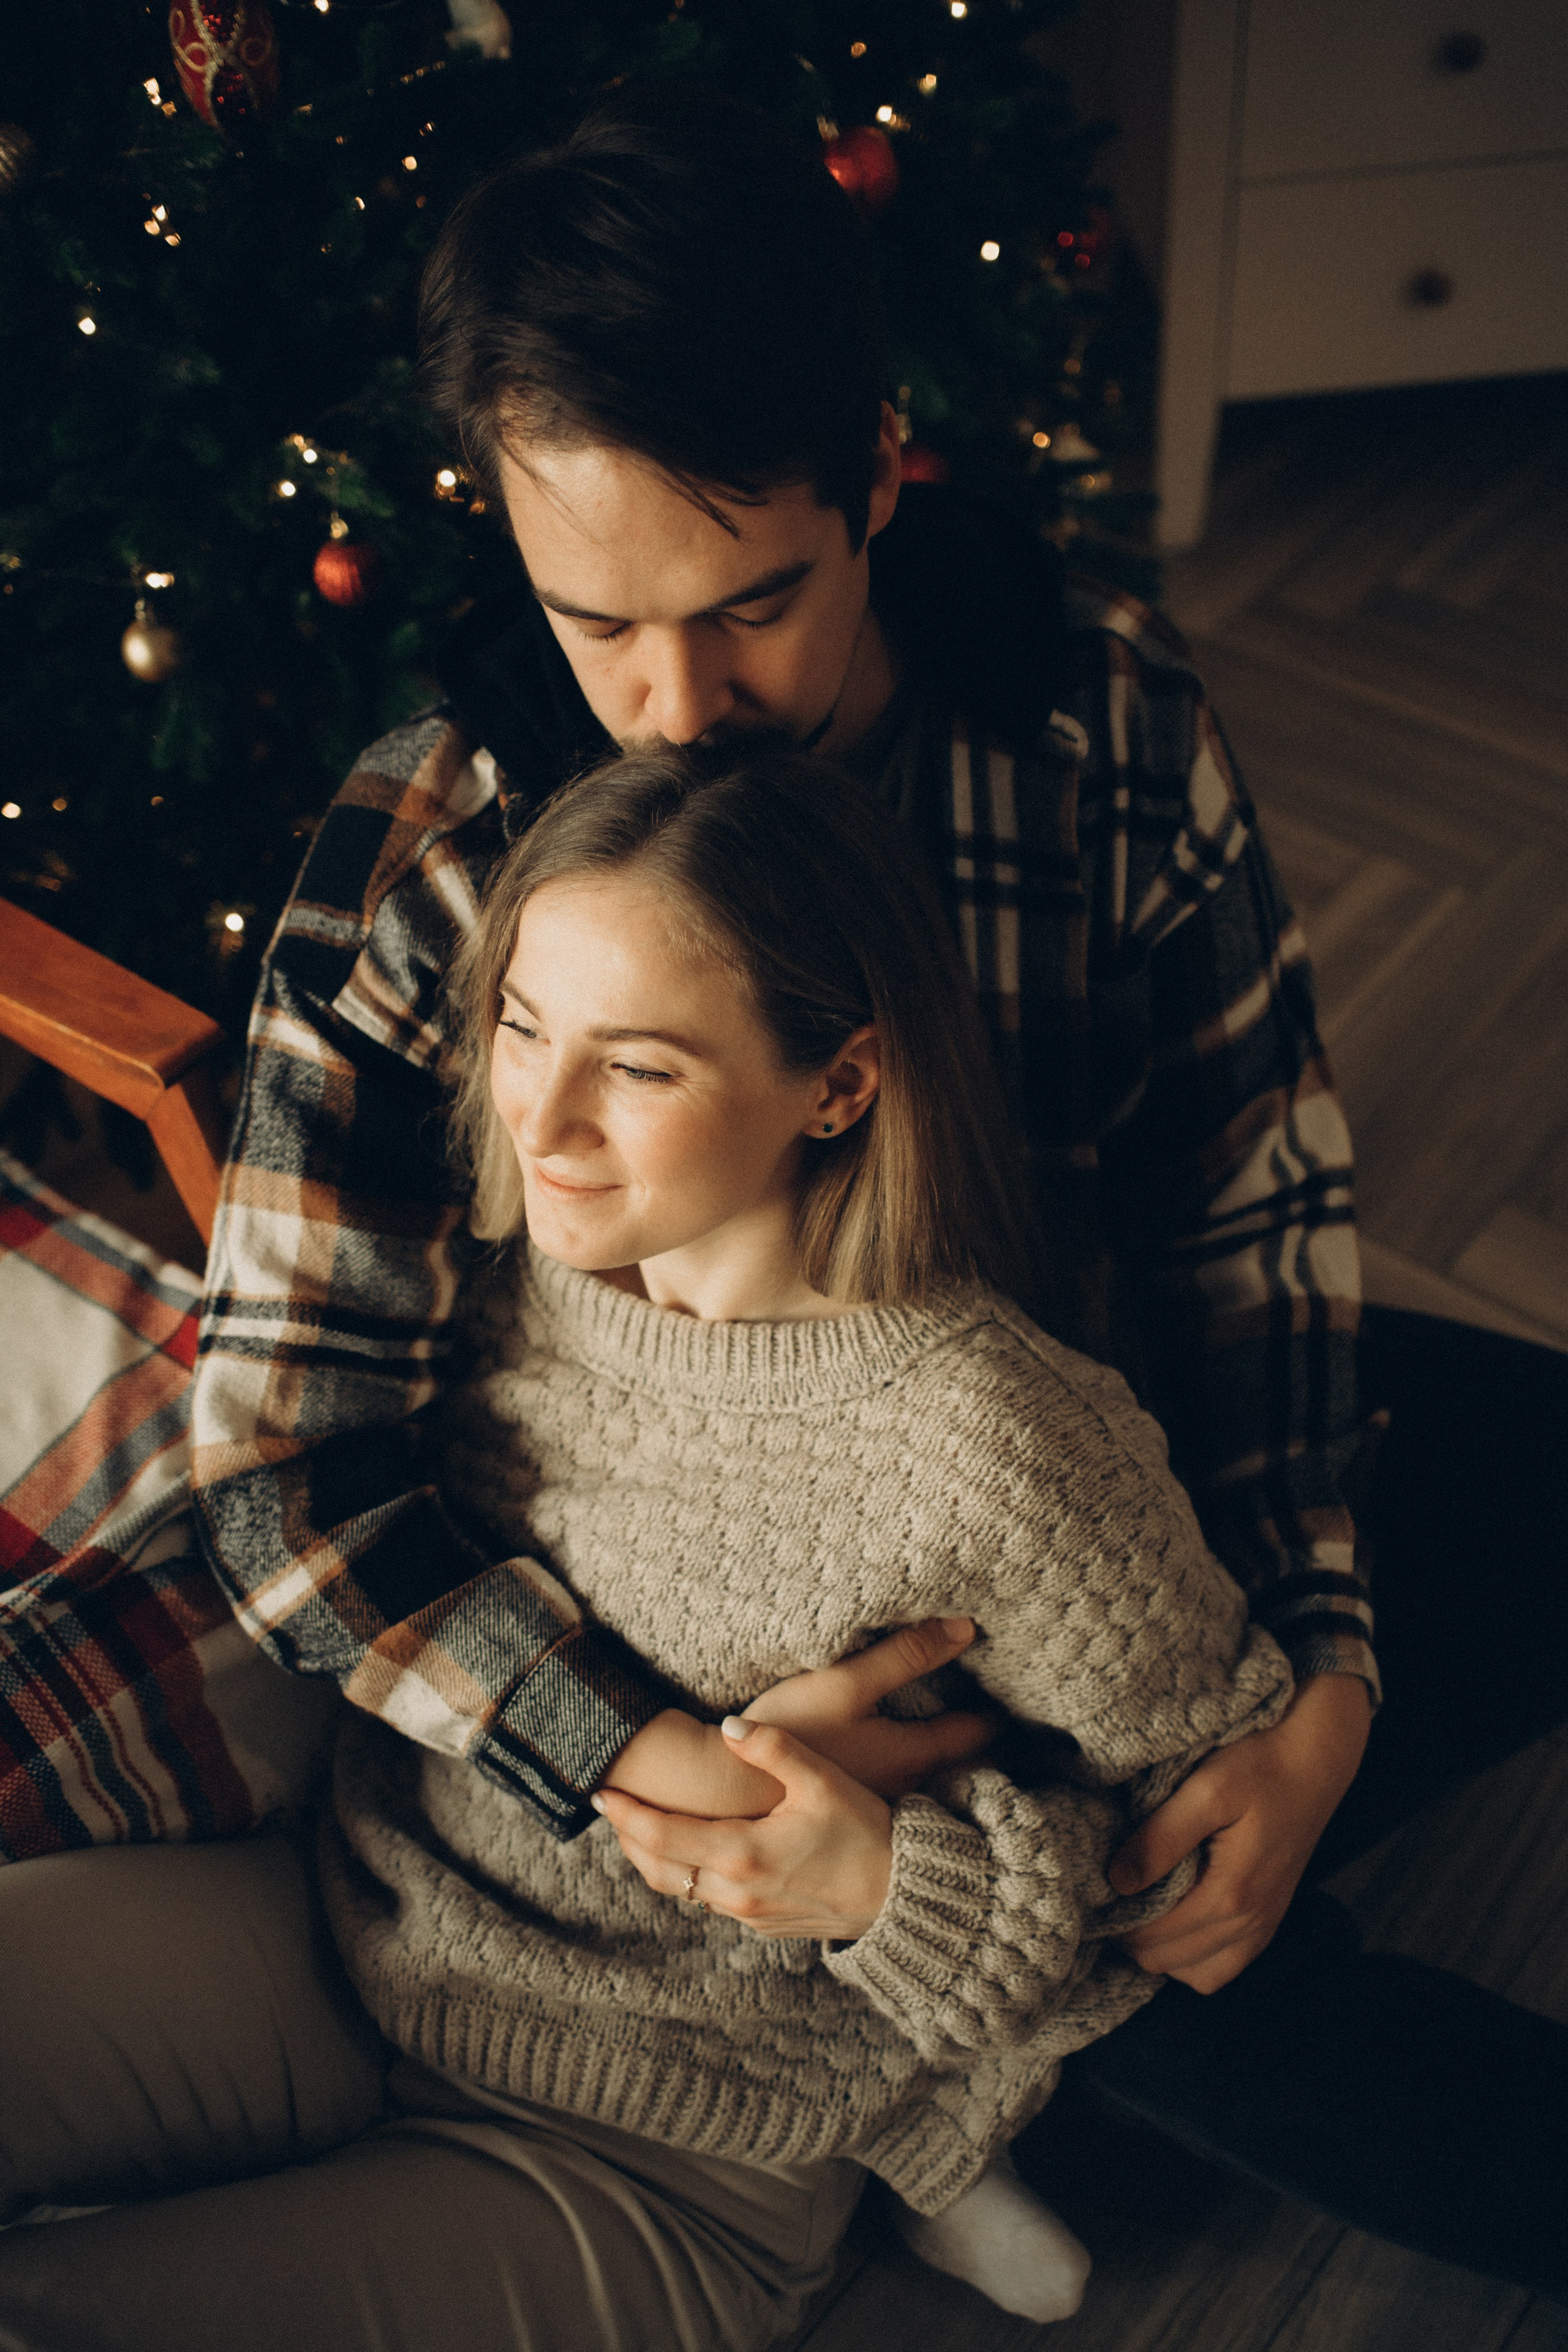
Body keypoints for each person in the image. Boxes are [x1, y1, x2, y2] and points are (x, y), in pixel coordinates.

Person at [173, 84, 1568, 2296]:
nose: (674, 709)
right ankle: (1065, 2046)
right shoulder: (438, 843)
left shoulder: (1097, 726)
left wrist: (1322, 1689)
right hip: (733, 1667)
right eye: (596, 625)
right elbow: (279, 1470)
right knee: (1252, 2025)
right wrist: (666, 1763)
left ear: (884, 475)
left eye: (755, 605)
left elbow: (1252, 1236)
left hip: (1087, 1520)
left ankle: (1124, 1975)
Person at [0, 742, 1306, 2344]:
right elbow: (304, 1507)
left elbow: (1196, 1860)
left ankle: (914, 2185)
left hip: (678, 2147)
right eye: (520, 1026)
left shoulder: (1001, 1445)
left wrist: (886, 1884)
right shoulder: (506, 1275)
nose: (542, 1119)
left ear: (839, 1086)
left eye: (639, 1068)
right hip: (352, 1930)